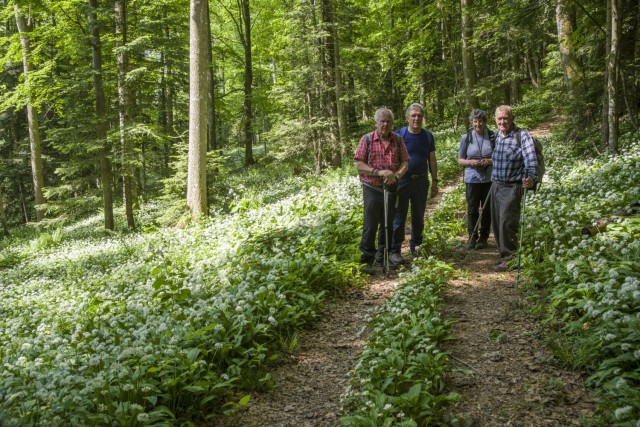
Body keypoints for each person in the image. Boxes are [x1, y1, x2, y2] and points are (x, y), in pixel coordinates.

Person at [354, 108, 410, 274]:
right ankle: (366, 260)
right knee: (370, 224)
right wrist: (378, 172)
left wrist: (397, 176)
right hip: (372, 187)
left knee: (388, 224)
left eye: (388, 121)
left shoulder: (398, 140)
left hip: (391, 187)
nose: (385, 124)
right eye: (382, 121)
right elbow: (359, 164)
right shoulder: (367, 139)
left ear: (392, 123)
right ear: (376, 123)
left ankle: (383, 256)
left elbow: (405, 163)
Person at [490, 105, 538, 272]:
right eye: (499, 118)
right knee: (497, 223)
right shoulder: (496, 136)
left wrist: (531, 178)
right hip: (496, 185)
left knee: (507, 222)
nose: (502, 121)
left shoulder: (522, 135)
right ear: (495, 120)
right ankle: (504, 256)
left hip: (512, 186)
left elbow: (531, 158)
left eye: (505, 118)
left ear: (511, 118)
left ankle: (510, 258)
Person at [391, 103, 438, 262]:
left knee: (418, 216)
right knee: (399, 216)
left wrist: (435, 181)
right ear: (407, 118)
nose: (416, 118)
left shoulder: (428, 136)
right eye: (413, 115)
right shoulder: (399, 135)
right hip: (402, 181)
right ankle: (395, 250)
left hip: (421, 180)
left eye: (419, 115)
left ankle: (416, 247)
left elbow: (432, 159)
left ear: (423, 117)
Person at [458, 109, 494, 249]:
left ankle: (483, 238)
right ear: (472, 122)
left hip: (488, 178)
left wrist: (489, 161)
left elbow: (497, 157)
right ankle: (472, 237)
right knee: (472, 208)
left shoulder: (492, 136)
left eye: (480, 121)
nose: (478, 124)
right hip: (472, 178)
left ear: (485, 122)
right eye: (475, 121)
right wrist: (471, 162)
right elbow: (460, 160)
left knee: (487, 209)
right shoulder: (466, 137)